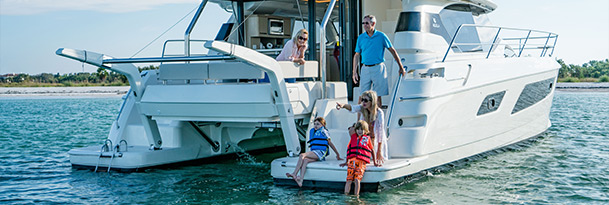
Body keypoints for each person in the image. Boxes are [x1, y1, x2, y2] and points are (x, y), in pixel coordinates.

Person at [352, 14, 406, 107]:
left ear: (373, 24)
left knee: (377, 97)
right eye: (363, 23)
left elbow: (392, 50)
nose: (364, 25)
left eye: (367, 23)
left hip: (378, 68)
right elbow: (357, 55)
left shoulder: (381, 36)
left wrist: (401, 67)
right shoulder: (360, 38)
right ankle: (359, 121)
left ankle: (377, 120)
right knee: (362, 97)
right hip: (365, 68)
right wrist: (354, 72)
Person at [336, 90, 388, 166]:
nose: (363, 102)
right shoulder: (362, 108)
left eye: (366, 100)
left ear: (372, 101)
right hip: (365, 136)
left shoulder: (379, 113)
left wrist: (379, 151)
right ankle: (354, 154)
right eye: (362, 100)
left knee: (372, 140)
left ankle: (370, 155)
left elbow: (380, 134)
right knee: (352, 130)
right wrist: (342, 105)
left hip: (375, 139)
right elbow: (352, 108)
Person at [286, 117, 341, 187]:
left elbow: (330, 143)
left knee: (301, 155)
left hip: (320, 152)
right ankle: (301, 180)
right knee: (305, 160)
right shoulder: (313, 131)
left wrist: (337, 154)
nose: (315, 126)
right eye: (314, 124)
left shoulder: (324, 131)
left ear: (323, 125)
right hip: (315, 152)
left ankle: (294, 173)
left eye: (318, 124)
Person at [340, 120, 376, 196]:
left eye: (362, 129)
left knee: (357, 180)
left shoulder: (367, 139)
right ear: (356, 130)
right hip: (351, 162)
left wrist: (375, 162)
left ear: (365, 130)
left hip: (361, 163)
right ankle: (346, 195)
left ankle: (356, 196)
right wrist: (346, 161)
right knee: (349, 180)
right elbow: (348, 149)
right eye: (358, 129)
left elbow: (372, 150)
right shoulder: (353, 138)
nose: (360, 131)